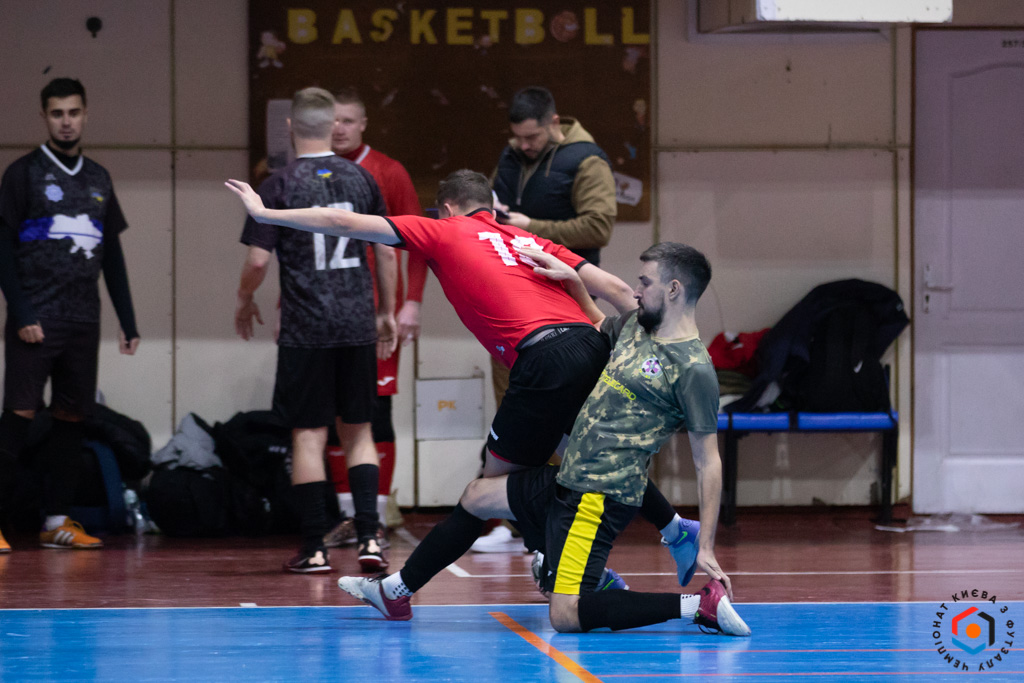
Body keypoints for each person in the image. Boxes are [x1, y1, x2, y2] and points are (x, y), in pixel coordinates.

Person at [225, 169, 701, 591]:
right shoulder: (526, 238)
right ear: (491, 206)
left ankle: (549, 568)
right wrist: (660, 351)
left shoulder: (443, 229)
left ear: (447, 208)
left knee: (491, 489)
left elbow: (342, 222)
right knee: (596, 455)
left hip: (545, 358)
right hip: (588, 344)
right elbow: (620, 290)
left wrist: (267, 214)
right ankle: (674, 530)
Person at [337, 243, 751, 637]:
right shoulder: (636, 327)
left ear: (674, 289)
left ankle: (698, 606)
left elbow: (708, 462)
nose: (636, 291)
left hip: (599, 498)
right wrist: (573, 281)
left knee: (565, 615)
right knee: (478, 495)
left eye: (645, 282)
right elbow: (595, 325)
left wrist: (707, 546)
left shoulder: (694, 369)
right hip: (571, 480)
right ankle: (395, 592)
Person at [234, 87, 397, 574]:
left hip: (306, 329)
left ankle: (314, 548)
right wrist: (386, 311)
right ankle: (370, 539)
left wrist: (244, 299)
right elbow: (386, 250)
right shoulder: (362, 178)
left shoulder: (277, 185)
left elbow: (257, 261)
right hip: (356, 324)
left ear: (290, 127)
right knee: (359, 432)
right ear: (332, 126)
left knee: (308, 435)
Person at [0, 77, 140, 552]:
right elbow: (2, 248)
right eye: (57, 113)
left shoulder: (99, 177)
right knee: (18, 416)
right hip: (35, 318)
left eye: (74, 113)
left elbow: (112, 254)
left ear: (85, 115)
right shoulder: (22, 173)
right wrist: (21, 311)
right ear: (44, 116)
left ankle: (56, 521)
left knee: (71, 419)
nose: (66, 122)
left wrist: (128, 319)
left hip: (83, 319)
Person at [476, 86, 618, 551]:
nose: (523, 145)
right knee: (513, 406)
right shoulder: (511, 156)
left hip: (567, 305)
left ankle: (570, 514)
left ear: (554, 122)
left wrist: (529, 227)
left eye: (532, 137)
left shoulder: (586, 160)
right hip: (516, 302)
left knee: (566, 413)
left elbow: (598, 226)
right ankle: (515, 519)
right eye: (517, 137)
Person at [323, 88, 428, 549]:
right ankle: (350, 517)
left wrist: (412, 302)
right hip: (325, 314)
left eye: (347, 120)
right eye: (332, 120)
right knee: (332, 413)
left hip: (378, 316)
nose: (339, 128)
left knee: (376, 410)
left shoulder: (388, 171)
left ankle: (377, 518)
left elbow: (420, 240)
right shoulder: (314, 171)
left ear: (363, 123)